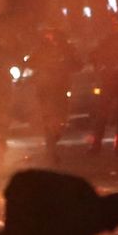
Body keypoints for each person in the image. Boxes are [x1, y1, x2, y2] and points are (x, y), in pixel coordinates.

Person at [31, 27, 79, 164]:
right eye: (47, 34)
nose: (50, 36)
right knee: (48, 119)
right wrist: (42, 66)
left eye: (52, 33)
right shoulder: (41, 49)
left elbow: (77, 64)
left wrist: (65, 66)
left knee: (62, 119)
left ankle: (54, 140)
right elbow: (31, 62)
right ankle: (50, 151)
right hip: (45, 90)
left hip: (61, 89)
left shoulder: (66, 48)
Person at [86, 28, 118, 156]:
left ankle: (100, 146)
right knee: (115, 117)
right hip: (117, 86)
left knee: (106, 116)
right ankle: (115, 147)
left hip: (115, 86)